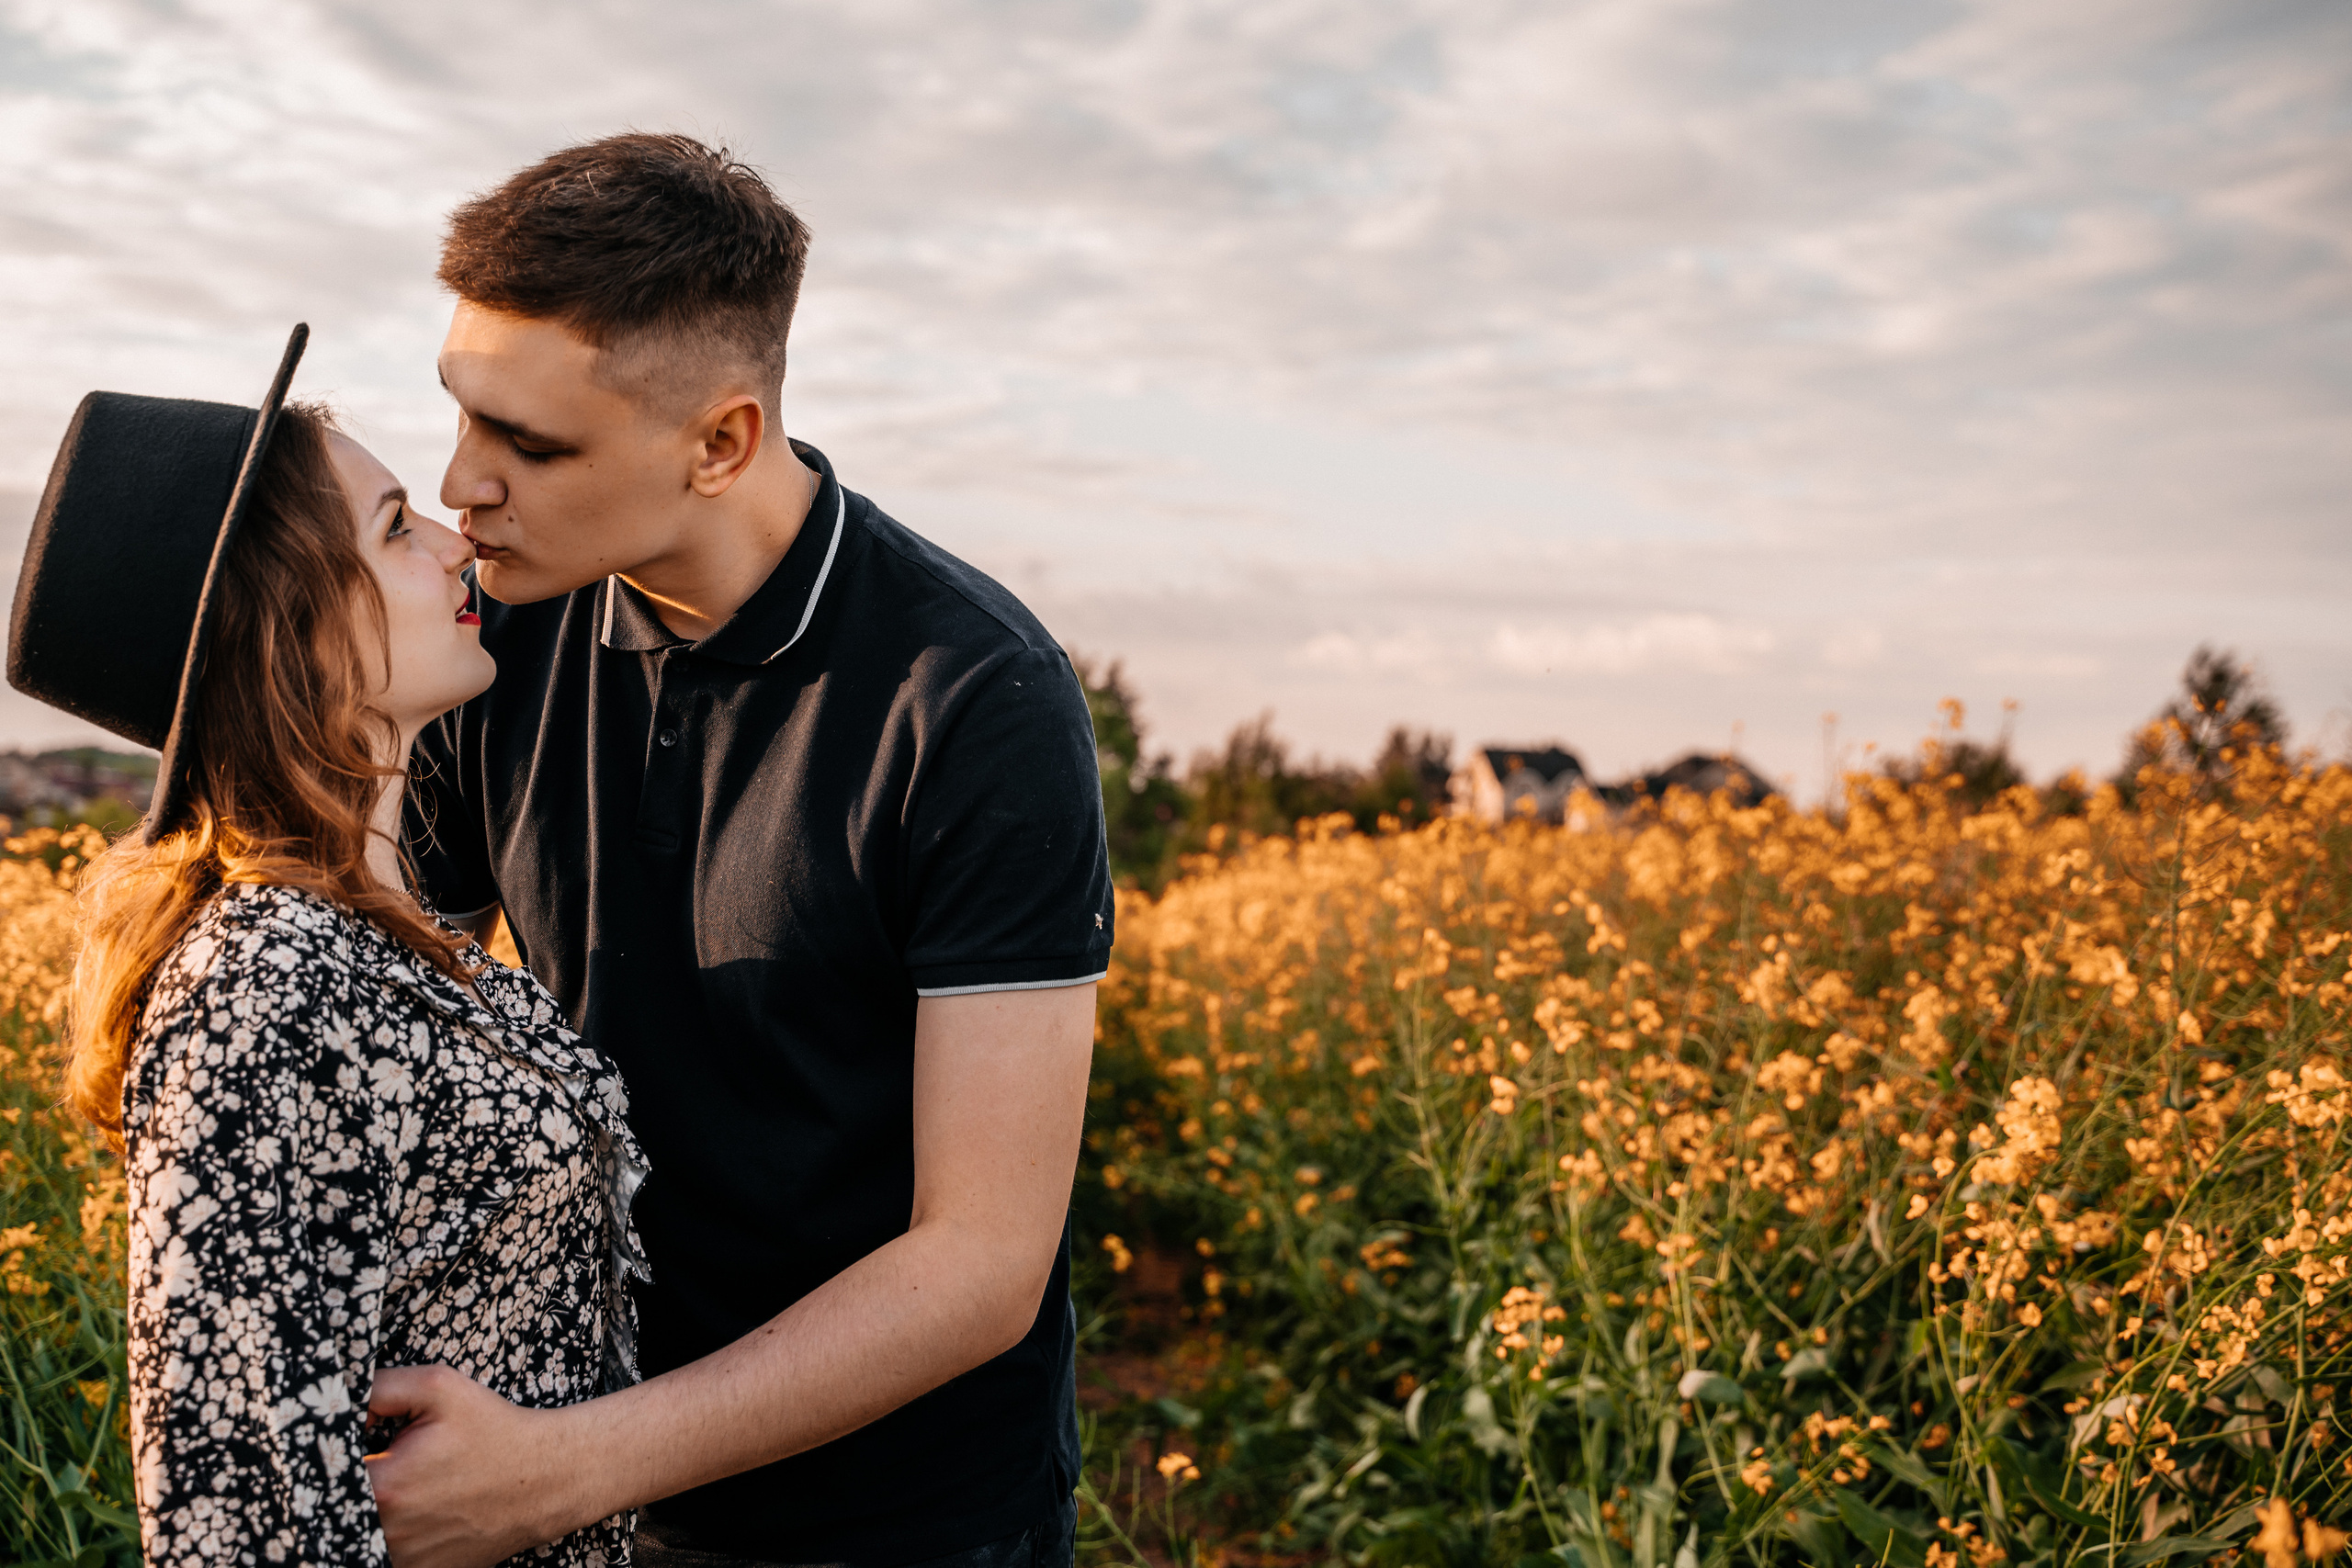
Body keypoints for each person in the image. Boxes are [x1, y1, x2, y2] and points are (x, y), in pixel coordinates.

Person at [368, 134, 1112, 1568]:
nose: (466, 485)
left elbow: (981, 1265)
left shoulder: (974, 699)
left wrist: (568, 1468)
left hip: (901, 1522)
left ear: (721, 442)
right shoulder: (486, 643)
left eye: (532, 444)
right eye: (462, 415)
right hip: (573, 1488)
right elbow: (395, 1015)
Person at [6, 331, 649, 1568]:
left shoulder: (386, 943)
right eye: (401, 527)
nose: (462, 542)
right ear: (297, 626)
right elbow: (235, 1510)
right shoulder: (263, 979)